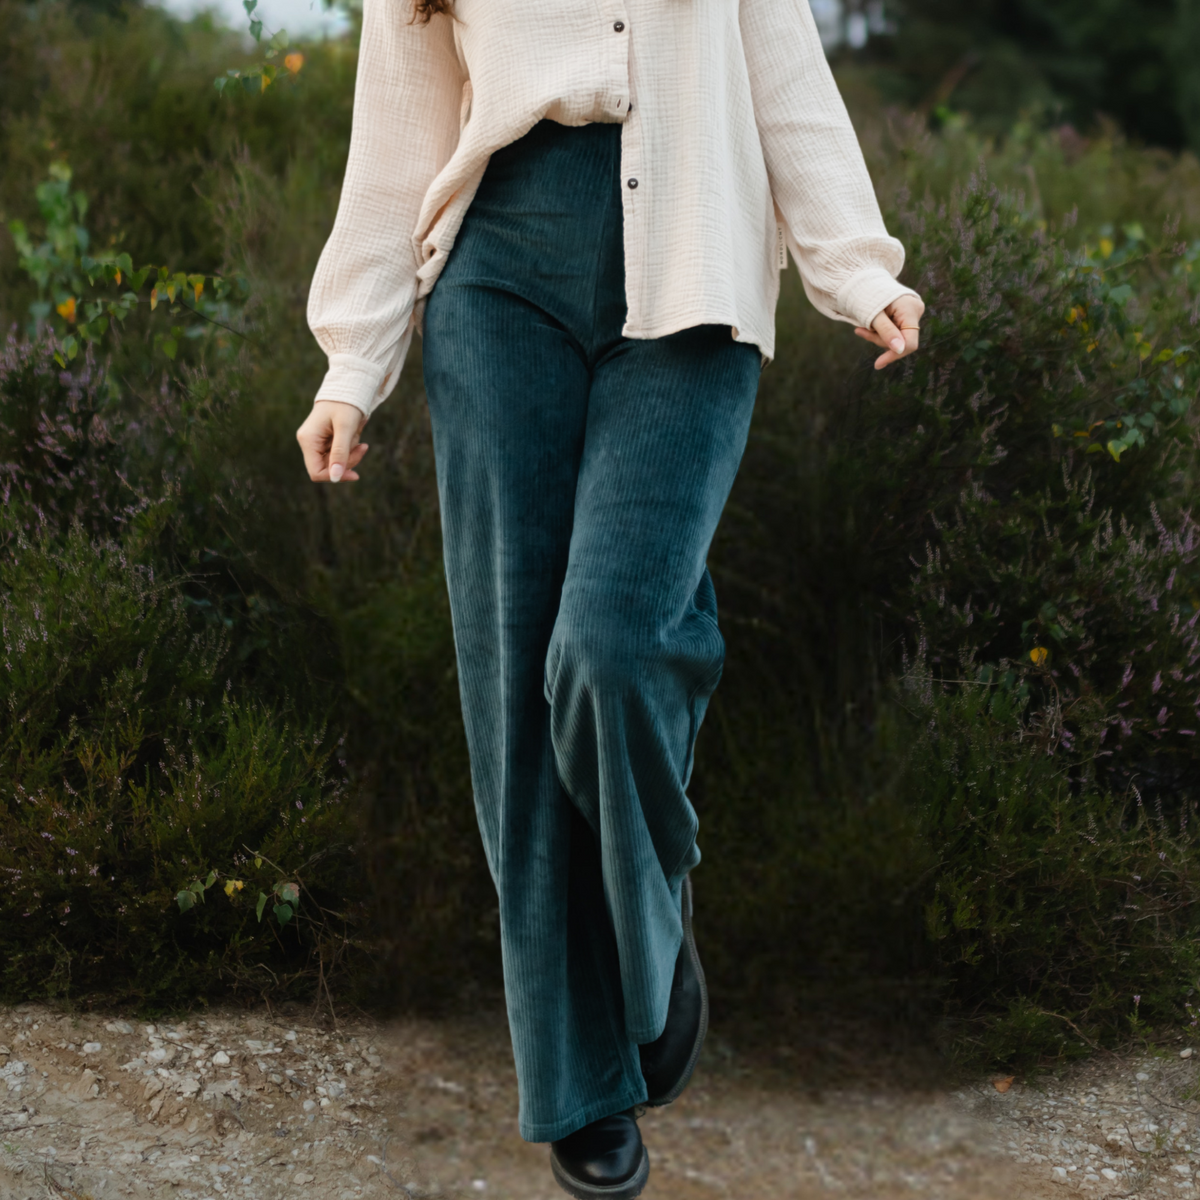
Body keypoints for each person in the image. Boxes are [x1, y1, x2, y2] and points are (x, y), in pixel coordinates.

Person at [296, 0, 924, 1192]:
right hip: (497, 281)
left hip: (691, 264)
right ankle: (580, 1082)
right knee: (514, 698)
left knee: (613, 647)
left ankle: (651, 936)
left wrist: (853, 265)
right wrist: (351, 367)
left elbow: (783, 70)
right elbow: (395, 139)